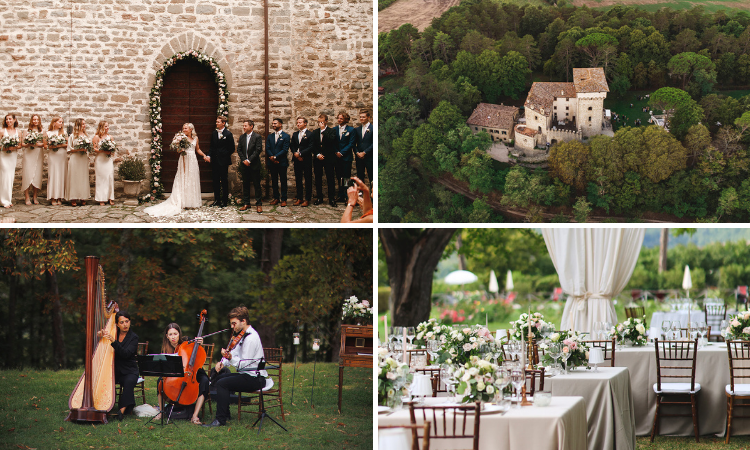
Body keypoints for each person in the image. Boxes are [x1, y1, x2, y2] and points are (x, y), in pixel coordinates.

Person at [204, 306, 267, 427]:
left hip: (255, 378)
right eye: (231, 324)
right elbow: (234, 353)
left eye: (234, 323)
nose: (232, 327)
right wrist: (223, 362)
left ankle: (220, 420)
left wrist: (229, 358)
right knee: (221, 377)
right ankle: (225, 414)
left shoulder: (251, 338)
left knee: (223, 383)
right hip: (247, 375)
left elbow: (244, 364)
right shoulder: (242, 335)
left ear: (243, 321)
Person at [145, 123, 206, 217]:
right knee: (183, 178)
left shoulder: (196, 138)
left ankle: (191, 202)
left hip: (193, 160)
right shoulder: (181, 138)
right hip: (184, 160)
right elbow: (178, 150)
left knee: (192, 179)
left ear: (191, 129)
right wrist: (180, 149)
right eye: (183, 128)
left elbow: (197, 149)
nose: (184, 129)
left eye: (185, 128)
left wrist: (204, 156)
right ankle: (183, 201)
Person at [154, 323, 209, 425]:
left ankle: (194, 415)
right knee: (160, 380)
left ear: (179, 333)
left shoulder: (186, 341)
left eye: (175, 333)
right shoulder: (166, 348)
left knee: (204, 381)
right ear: (167, 336)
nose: (173, 337)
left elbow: (196, 351)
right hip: (177, 372)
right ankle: (161, 412)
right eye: (170, 334)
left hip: (194, 371)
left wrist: (199, 343)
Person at [98, 311, 138, 421]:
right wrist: (100, 335)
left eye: (127, 321)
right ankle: (101, 404)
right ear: (117, 324)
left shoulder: (133, 337)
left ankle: (121, 410)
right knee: (102, 379)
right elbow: (101, 345)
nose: (125, 324)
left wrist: (113, 341)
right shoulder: (113, 333)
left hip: (130, 370)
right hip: (114, 370)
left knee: (129, 381)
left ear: (130, 322)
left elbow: (126, 354)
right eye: (122, 322)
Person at [204, 116, 235, 207]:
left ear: (223, 123)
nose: (216, 123)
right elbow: (212, 147)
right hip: (215, 161)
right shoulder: (214, 133)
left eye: (218, 122)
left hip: (223, 161)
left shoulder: (228, 134)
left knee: (224, 181)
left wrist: (223, 155)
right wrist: (209, 155)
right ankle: (217, 200)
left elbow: (232, 148)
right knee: (215, 181)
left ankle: (224, 201)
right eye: (216, 122)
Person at [237, 119, 263, 213]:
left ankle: (259, 204)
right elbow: (239, 150)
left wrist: (249, 160)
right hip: (244, 164)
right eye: (243, 126)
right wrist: (244, 160)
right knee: (245, 184)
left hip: (254, 164)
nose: (244, 127)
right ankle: (246, 203)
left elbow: (258, 150)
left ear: (251, 126)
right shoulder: (242, 137)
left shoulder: (257, 137)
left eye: (245, 126)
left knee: (257, 184)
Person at [312, 114, 338, 207]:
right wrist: (317, 154)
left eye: (322, 122)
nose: (320, 124)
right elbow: (313, 145)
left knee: (330, 178)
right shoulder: (315, 132)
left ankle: (331, 198)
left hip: (329, 158)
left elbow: (331, 141)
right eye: (319, 122)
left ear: (326, 121)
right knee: (318, 178)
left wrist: (323, 130)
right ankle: (319, 197)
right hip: (318, 159)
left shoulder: (332, 131)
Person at [65, 118, 91, 206]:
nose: (85, 125)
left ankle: (83, 196)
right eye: (83, 124)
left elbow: (88, 149)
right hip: (75, 158)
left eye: (85, 124)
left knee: (82, 177)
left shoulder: (86, 136)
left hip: (83, 158)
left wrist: (86, 150)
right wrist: (78, 149)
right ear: (78, 125)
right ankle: (73, 197)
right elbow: (69, 149)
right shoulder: (72, 136)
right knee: (74, 177)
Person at [265, 118, 290, 207]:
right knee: (274, 181)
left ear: (280, 124)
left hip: (281, 162)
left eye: (275, 123)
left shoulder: (286, 136)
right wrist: (271, 157)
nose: (273, 125)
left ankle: (284, 199)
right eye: (272, 124)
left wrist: (275, 157)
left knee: (283, 181)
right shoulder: (270, 136)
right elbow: (267, 148)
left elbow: (285, 149)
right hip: (272, 162)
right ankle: (276, 198)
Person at [20, 114, 44, 205]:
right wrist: (30, 143)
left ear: (39, 121)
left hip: (38, 154)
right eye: (34, 119)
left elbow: (44, 144)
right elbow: (22, 144)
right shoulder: (26, 131)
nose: (35, 121)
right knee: (27, 174)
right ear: (31, 120)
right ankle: (26, 197)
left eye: (37, 119)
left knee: (37, 175)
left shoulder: (42, 131)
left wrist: (36, 143)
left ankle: (35, 197)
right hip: (28, 153)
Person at [290, 116, 313, 207]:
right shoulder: (295, 134)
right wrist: (295, 153)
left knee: (308, 179)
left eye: (300, 122)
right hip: (297, 160)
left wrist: (301, 154)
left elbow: (311, 147)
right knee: (298, 179)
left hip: (306, 159)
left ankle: (307, 199)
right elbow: (292, 145)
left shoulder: (310, 134)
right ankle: (300, 198)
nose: (298, 124)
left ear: (305, 123)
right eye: (297, 122)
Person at [46, 117, 68, 206]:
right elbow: (46, 145)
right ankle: (53, 197)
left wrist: (59, 144)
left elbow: (67, 144)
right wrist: (55, 145)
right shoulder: (48, 133)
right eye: (59, 122)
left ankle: (59, 197)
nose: (61, 124)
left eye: (62, 122)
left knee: (61, 175)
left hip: (62, 156)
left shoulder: (64, 133)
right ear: (54, 123)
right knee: (53, 175)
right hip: (53, 156)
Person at [0, 114, 21, 208]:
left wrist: (12, 147)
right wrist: (5, 147)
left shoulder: (18, 131)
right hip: (4, 156)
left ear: (14, 120)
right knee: (4, 176)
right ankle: (3, 201)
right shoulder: (2, 131)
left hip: (12, 156)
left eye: (10, 119)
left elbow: (20, 145)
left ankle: (8, 199)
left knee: (10, 177)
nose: (8, 121)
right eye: (6, 119)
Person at [92, 121, 115, 206]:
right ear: (101, 127)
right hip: (100, 160)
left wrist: (110, 151)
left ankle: (110, 197)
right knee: (101, 179)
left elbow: (113, 148)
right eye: (106, 126)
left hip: (108, 160)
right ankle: (101, 198)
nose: (107, 128)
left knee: (109, 177)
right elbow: (94, 148)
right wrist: (102, 150)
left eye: (108, 126)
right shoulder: (97, 137)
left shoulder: (110, 137)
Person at [334, 111, 355, 202]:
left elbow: (351, 143)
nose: (339, 120)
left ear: (346, 119)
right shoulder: (334, 129)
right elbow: (332, 142)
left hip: (346, 157)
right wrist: (336, 152)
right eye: (338, 118)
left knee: (346, 177)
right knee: (339, 176)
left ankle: (347, 195)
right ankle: (340, 194)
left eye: (341, 118)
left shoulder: (351, 130)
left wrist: (342, 152)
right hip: (337, 157)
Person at [353, 110, 373, 186]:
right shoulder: (357, 129)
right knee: (360, 177)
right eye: (360, 117)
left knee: (372, 177)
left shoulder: (373, 128)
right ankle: (361, 194)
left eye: (363, 117)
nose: (361, 118)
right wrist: (357, 152)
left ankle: (372, 195)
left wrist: (365, 152)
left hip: (369, 157)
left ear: (368, 117)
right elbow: (354, 143)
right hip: (359, 157)